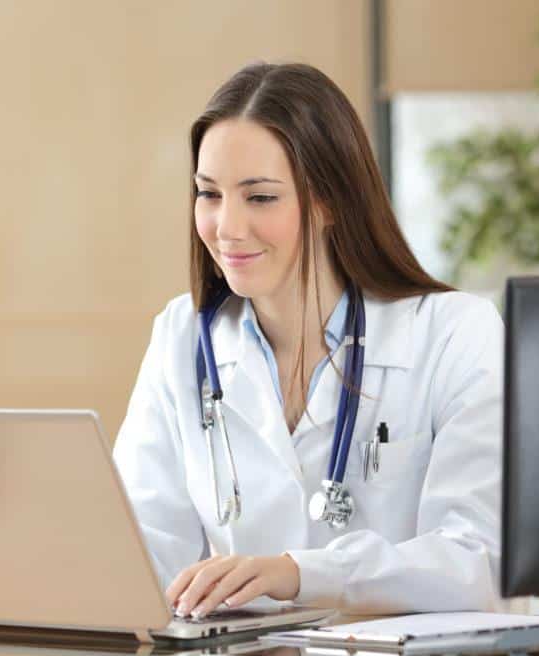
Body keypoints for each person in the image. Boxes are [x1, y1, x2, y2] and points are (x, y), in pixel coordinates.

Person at [112, 62, 502, 618]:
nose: (226, 226)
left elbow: (478, 563)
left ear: (329, 201)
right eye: (209, 194)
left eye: (260, 197)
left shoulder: (455, 334)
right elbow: (140, 556)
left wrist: (299, 574)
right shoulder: (182, 337)